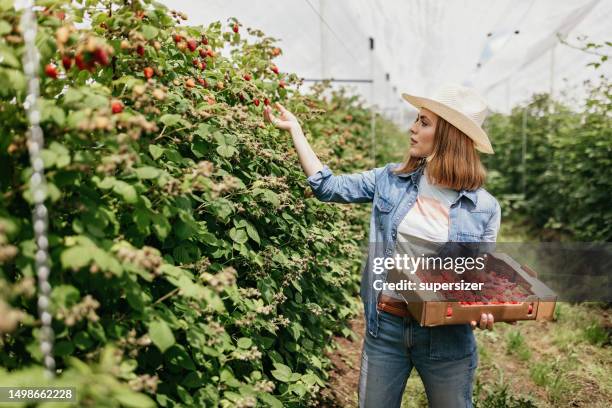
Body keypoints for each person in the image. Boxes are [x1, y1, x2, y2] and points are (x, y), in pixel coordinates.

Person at [264, 83, 510, 408]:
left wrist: (482, 310)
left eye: (424, 122)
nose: (413, 128)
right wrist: (296, 130)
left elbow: (473, 279)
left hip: (446, 337)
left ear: (448, 135)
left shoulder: (483, 207)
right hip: (387, 327)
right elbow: (327, 187)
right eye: (416, 120)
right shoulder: (389, 181)